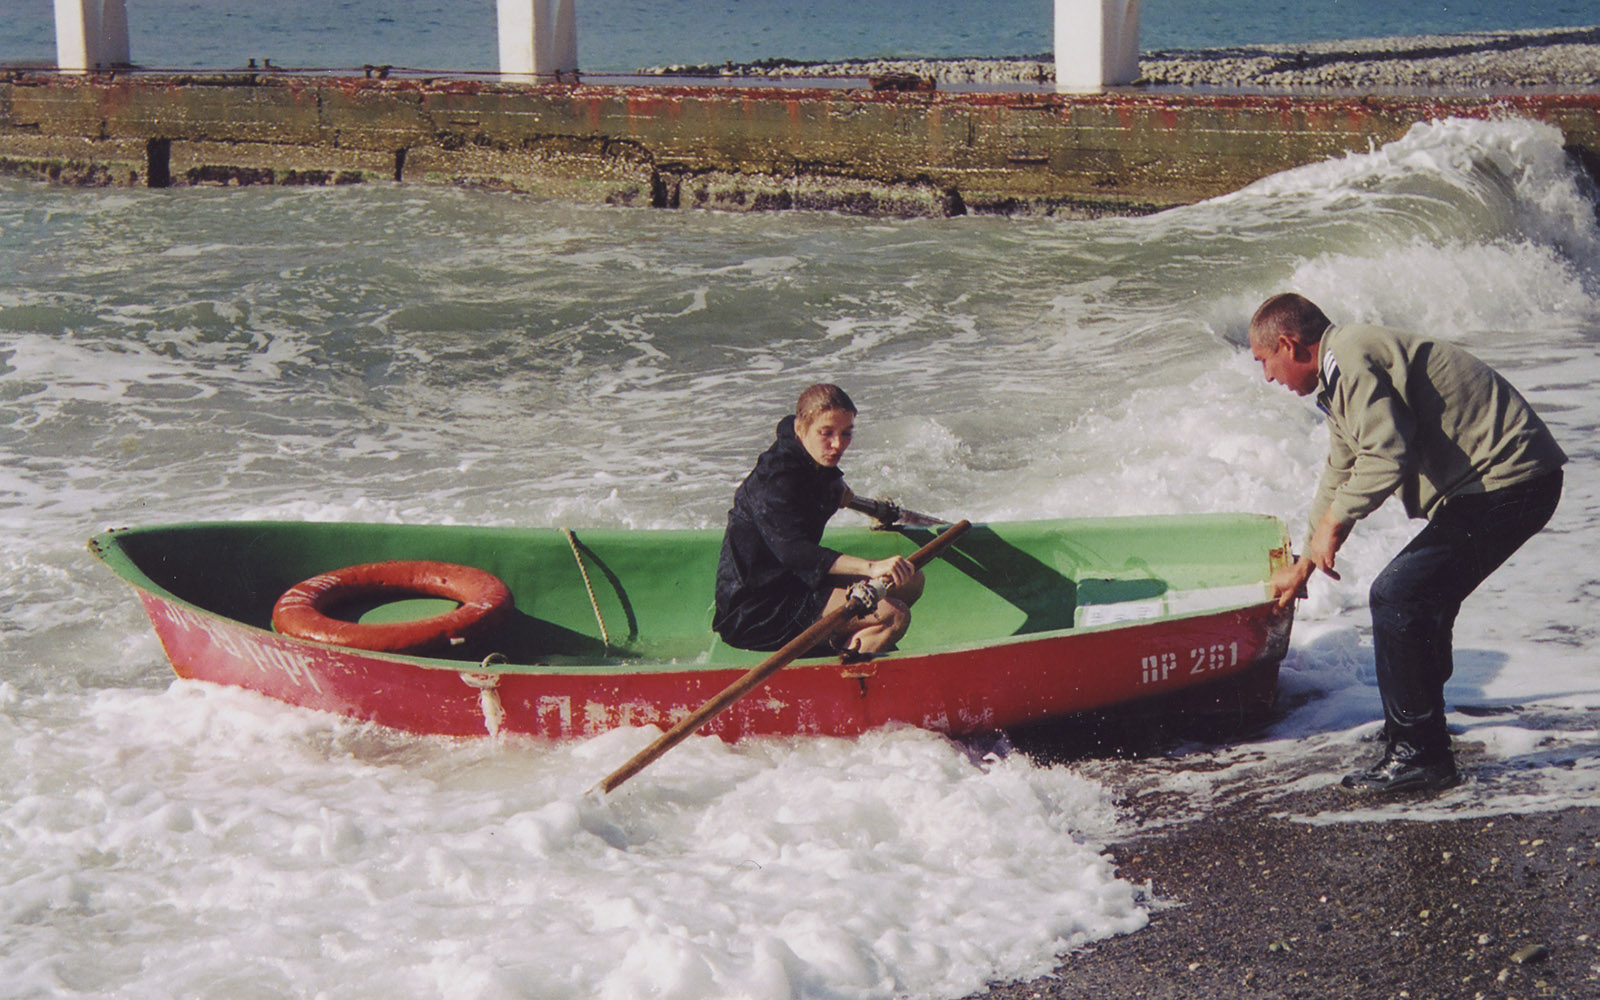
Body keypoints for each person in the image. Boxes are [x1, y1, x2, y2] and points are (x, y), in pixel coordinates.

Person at [1249, 293, 1566, 796]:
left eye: (1264, 361)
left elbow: (1386, 455)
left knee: (1399, 595)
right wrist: (1306, 558)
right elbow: (1342, 468)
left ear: (1288, 344)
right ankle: (1417, 733)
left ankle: (1421, 755)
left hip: (1511, 482)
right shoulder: (1339, 375)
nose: (1267, 377)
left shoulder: (1349, 357)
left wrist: (1335, 525)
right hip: (1499, 486)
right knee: (1421, 595)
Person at [713, 383, 923, 656]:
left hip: (797, 582)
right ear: (801, 429)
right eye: (827, 433)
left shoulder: (809, 456)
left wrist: (833, 490)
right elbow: (794, 552)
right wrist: (870, 567)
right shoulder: (773, 480)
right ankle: (844, 683)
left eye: (846, 433)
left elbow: (819, 484)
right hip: (758, 610)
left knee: (910, 579)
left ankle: (848, 646)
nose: (838, 445)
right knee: (894, 615)